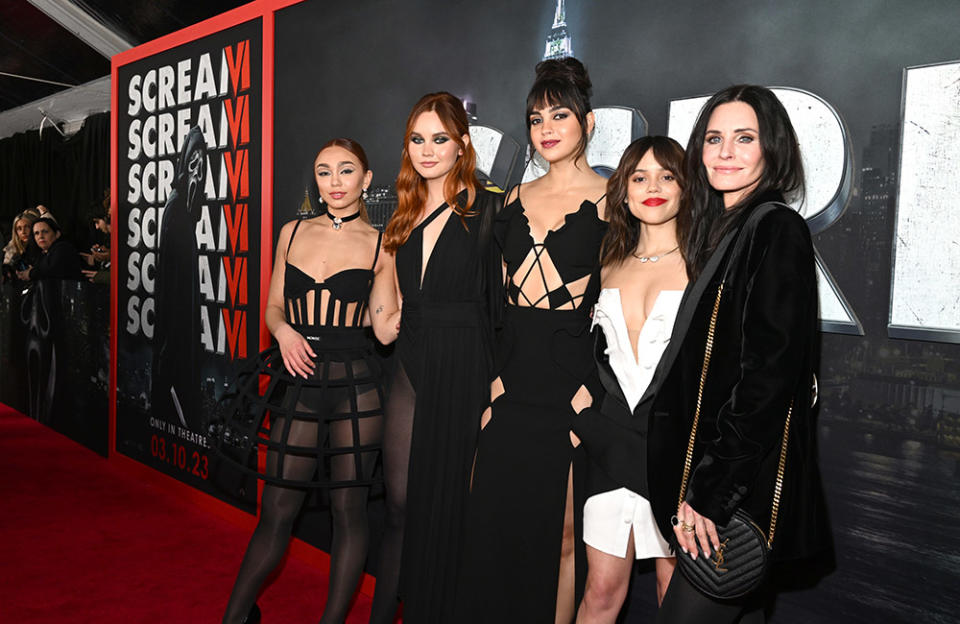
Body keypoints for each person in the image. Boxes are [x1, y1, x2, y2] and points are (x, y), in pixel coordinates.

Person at [585, 85, 832, 623]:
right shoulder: (727, 231)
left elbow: (768, 378)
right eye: (714, 138)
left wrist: (712, 494)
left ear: (774, 149)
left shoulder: (775, 227)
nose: (725, 152)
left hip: (729, 497)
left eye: (745, 138)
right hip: (704, 486)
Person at [212, 138, 401, 624]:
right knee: (276, 506)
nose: (334, 182)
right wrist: (283, 331)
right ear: (315, 181)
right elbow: (273, 306)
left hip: (355, 387)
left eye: (345, 170)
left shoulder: (383, 245)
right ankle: (234, 618)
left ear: (367, 178)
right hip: (298, 378)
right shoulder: (291, 232)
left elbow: (384, 326)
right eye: (324, 172)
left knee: (349, 512)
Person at [458, 57, 608, 624]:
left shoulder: (618, 197)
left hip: (572, 386)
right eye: (535, 117)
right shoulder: (512, 199)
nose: (546, 128)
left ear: (588, 124)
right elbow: (495, 305)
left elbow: (622, 309)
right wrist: (492, 383)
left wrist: (592, 390)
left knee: (565, 538)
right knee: (491, 523)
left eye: (560, 115)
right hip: (510, 384)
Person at [369, 92, 502, 624]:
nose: (428, 150)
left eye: (440, 139)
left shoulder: (489, 208)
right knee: (399, 503)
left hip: (466, 362)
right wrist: (387, 309)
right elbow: (386, 306)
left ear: (462, 144)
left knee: (453, 508)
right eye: (417, 139)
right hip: (411, 356)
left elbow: (503, 304)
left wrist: (499, 385)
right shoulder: (401, 213)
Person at [572, 136, 689, 623]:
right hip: (610, 440)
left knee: (673, 591)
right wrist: (578, 413)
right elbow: (576, 346)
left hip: (674, 451)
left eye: (667, 175)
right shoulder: (606, 262)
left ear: (687, 188)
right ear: (622, 190)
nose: (653, 187)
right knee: (600, 591)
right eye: (639, 177)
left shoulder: (705, 264)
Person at [17, 217, 82, 281]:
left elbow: (52, 269)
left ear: (57, 234)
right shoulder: (43, 254)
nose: (40, 236)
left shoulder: (63, 247)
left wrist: (30, 273)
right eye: (36, 233)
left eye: (45, 232)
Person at [2, 209, 41, 280]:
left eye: (27, 227)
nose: (23, 232)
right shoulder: (12, 248)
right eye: (19, 229)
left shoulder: (42, 247)